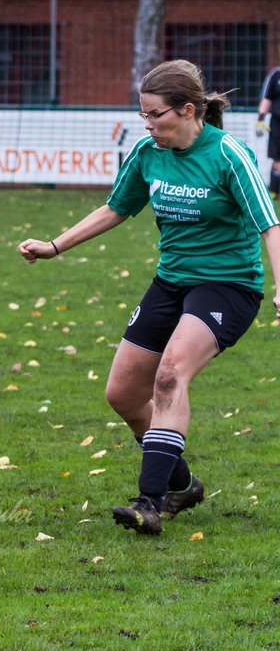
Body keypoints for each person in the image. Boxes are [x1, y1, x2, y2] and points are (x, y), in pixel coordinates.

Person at [19, 59, 280, 536]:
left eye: (155, 115)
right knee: (122, 394)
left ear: (186, 110)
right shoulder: (147, 152)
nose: (148, 125)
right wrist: (55, 246)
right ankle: (180, 483)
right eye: (143, 115)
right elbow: (116, 208)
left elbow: (270, 223)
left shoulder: (229, 156)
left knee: (170, 375)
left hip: (229, 286)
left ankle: (150, 502)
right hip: (171, 282)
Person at [254, 64, 280, 198]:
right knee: (277, 158)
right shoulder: (276, 75)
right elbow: (267, 98)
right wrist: (260, 120)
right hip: (277, 124)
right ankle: (274, 191)